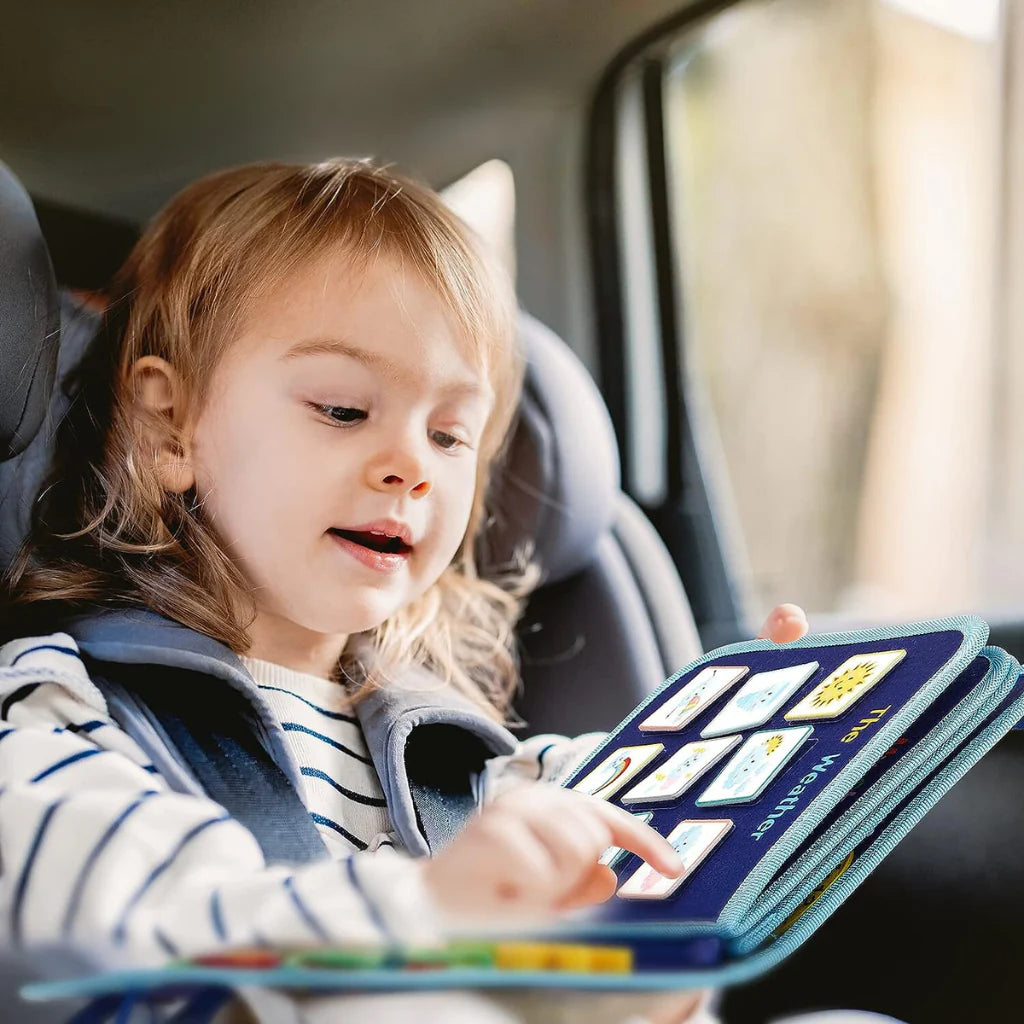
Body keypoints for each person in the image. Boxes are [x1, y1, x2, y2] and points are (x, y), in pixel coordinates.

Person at [0, 157, 822, 1024]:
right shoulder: (61, 711)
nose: (411, 467)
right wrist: (432, 913)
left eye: (449, 434)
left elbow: (622, 901)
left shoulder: (478, 767)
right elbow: (126, 936)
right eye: (344, 410)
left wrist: (749, 748)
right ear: (171, 427)